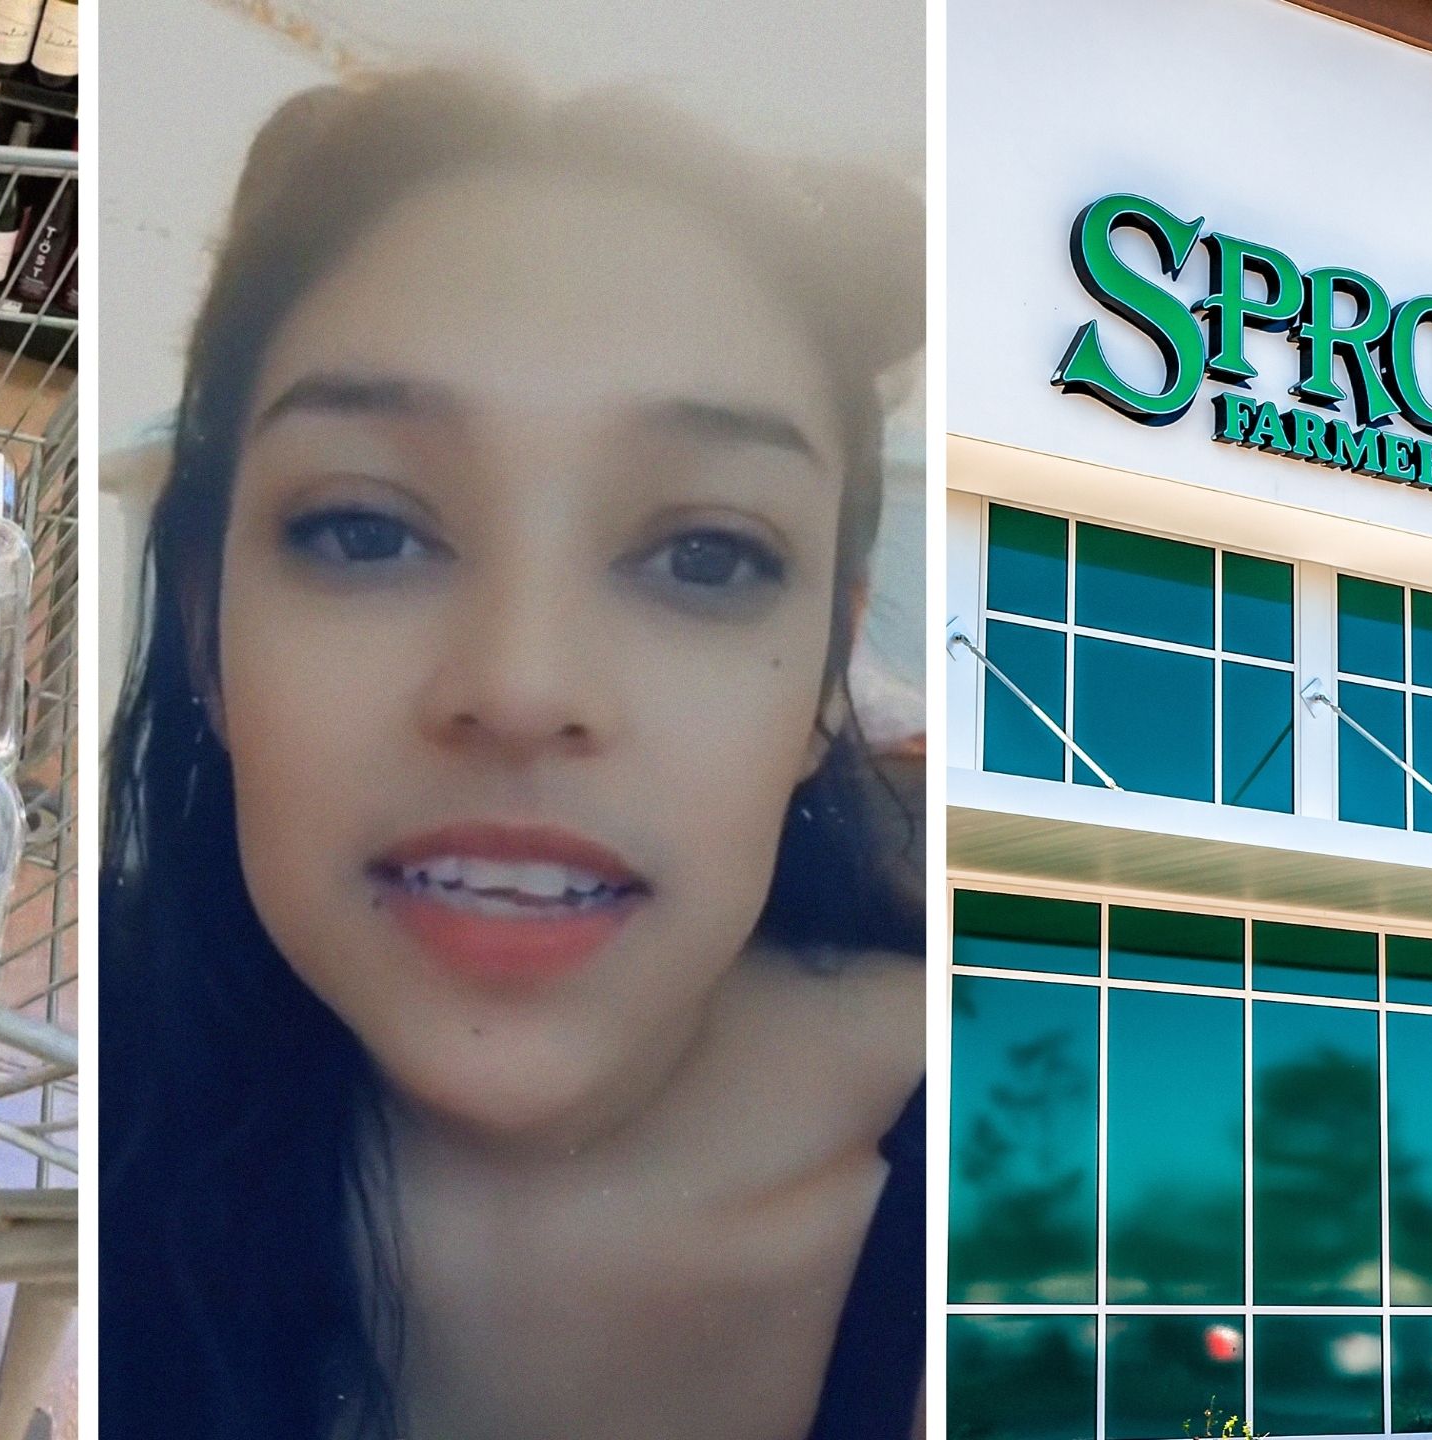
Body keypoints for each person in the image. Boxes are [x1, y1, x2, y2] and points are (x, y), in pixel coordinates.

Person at [101, 67, 925, 1439]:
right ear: (205, 628)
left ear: (825, 682)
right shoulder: (93, 1105)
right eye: (366, 531)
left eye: (705, 555)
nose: (521, 686)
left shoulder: (1061, 1196)